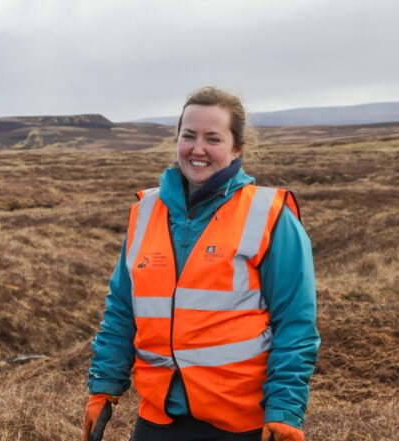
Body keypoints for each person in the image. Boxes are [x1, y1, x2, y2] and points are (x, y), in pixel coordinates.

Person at [83, 86, 320, 441]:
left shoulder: (269, 216)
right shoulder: (145, 213)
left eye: (213, 138)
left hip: (240, 424)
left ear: (237, 147)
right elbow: (122, 309)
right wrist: (103, 386)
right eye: (189, 136)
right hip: (159, 419)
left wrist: (284, 411)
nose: (198, 149)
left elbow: (295, 325)